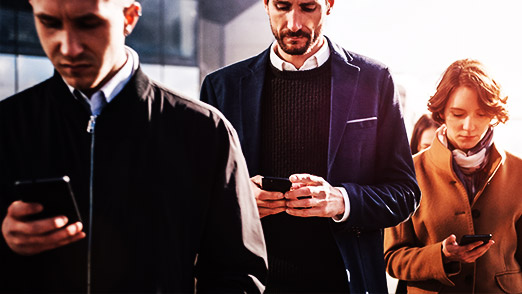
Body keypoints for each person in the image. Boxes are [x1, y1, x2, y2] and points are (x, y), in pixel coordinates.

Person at [0, 0, 267, 292]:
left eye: (88, 24)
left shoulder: (205, 130)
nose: (68, 47)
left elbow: (239, 274)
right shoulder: (7, 126)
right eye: (50, 23)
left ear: (129, 17)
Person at [200, 0, 420, 292]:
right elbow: (194, 196)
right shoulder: (221, 86)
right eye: (282, 6)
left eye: (307, 7)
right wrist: (237, 202)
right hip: (248, 283)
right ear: (266, 5)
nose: (293, 23)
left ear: (328, 5)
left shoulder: (374, 80)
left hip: (344, 283)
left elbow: (405, 193)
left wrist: (341, 200)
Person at [384, 59, 522, 293]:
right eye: (458, 114)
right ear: (441, 113)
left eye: (481, 114)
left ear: (493, 115)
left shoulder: (518, 172)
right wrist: (441, 256)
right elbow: (393, 260)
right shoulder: (408, 171)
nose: (469, 126)